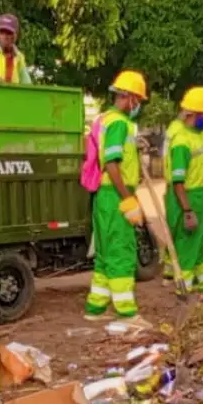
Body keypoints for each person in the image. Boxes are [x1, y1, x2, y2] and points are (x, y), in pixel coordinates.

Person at [84, 70, 148, 320]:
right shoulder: (119, 123)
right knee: (121, 251)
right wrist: (127, 198)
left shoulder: (108, 120)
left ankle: (96, 307)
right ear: (130, 97)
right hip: (115, 195)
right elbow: (111, 163)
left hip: (107, 195)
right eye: (138, 100)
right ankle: (127, 312)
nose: (138, 105)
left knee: (105, 252)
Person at [163, 87, 203, 297]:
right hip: (188, 197)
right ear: (192, 113)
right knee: (188, 245)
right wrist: (187, 210)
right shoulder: (181, 142)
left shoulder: (199, 136)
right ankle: (184, 289)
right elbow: (178, 181)